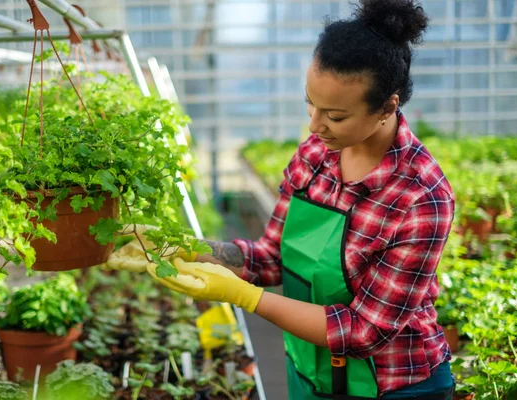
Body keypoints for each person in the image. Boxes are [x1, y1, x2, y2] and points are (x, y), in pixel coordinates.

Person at [111, 0, 456, 398]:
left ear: (386, 107)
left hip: (395, 386)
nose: (314, 124)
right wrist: (185, 247)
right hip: (311, 372)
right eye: (310, 102)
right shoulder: (315, 155)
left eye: (335, 116)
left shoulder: (420, 197)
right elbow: (271, 257)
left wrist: (245, 297)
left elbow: (364, 331)